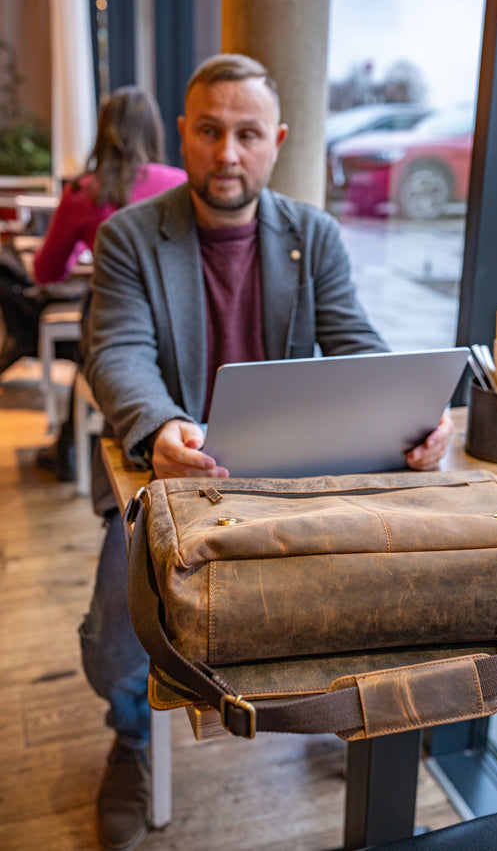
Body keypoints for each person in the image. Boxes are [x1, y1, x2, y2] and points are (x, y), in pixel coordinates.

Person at [82, 53, 454, 851]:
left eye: (247, 134)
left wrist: (417, 413)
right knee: (119, 622)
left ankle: (352, 719)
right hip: (177, 475)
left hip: (287, 478)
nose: (227, 153)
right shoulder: (128, 239)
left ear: (276, 140)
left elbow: (356, 344)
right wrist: (156, 427)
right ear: (183, 133)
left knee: (381, 578)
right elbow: (117, 353)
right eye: (210, 131)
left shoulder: (313, 235)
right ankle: (131, 737)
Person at [24, 86, 187, 479]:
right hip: (179, 316)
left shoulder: (84, 191)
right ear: (156, 130)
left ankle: (72, 445)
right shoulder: (180, 183)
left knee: (96, 341)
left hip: (109, 316)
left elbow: (47, 272)